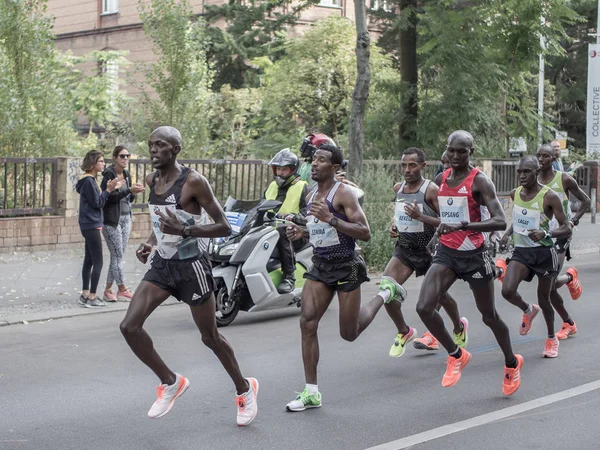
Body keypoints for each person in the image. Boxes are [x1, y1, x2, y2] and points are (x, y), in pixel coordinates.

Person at [119, 126, 259, 426]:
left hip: (192, 266)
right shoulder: (151, 179)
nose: (153, 150)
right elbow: (161, 223)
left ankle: (244, 389)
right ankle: (171, 382)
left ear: (175, 149)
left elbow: (223, 226)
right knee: (129, 327)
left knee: (210, 337)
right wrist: (150, 242)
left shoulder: (193, 182)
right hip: (163, 265)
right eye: (150, 145)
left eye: (160, 145)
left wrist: (184, 231)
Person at [284, 143, 399, 411]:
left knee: (349, 333)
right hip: (321, 265)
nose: (314, 164)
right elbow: (318, 229)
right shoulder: (311, 193)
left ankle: (385, 293)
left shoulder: (344, 193)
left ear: (335, 168)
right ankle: (311, 392)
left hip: (347, 266)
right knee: (307, 322)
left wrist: (332, 219)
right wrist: (302, 233)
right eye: (314, 159)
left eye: (321, 160)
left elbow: (365, 232)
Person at [416, 130, 523, 396]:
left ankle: (511, 362)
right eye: (451, 150)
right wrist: (438, 234)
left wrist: (465, 225)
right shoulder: (441, 179)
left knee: (489, 316)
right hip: (448, 253)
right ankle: (456, 354)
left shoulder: (480, 182)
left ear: (470, 152)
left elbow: (500, 220)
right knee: (424, 307)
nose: (455, 156)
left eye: (461, 151)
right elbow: (447, 216)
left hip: (475, 254)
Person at [497, 144, 589, 341]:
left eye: (546, 156)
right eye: (538, 155)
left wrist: (573, 221)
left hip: (558, 235)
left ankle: (566, 318)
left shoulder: (562, 179)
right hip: (532, 240)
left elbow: (586, 202)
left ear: (554, 158)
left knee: (550, 286)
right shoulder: (525, 186)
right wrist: (508, 233)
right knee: (549, 286)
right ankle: (569, 290)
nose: (541, 159)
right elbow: (523, 216)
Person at [384, 147, 467, 357]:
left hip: (431, 251)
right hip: (405, 249)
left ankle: (458, 327)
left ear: (423, 166)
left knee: (441, 296)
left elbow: (449, 221)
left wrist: (421, 217)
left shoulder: (430, 190)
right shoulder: (398, 188)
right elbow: (400, 215)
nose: (407, 169)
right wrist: (394, 226)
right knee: (387, 288)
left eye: (412, 165)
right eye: (403, 165)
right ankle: (404, 331)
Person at [76, 150, 122, 308]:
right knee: (98, 262)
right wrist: (108, 190)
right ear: (93, 163)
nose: (103, 163)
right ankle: (92, 297)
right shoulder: (89, 181)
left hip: (88, 223)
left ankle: (85, 293)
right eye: (101, 161)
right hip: (91, 224)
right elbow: (98, 203)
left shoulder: (89, 180)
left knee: (89, 260)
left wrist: (111, 189)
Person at [100, 146, 145, 302]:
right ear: (114, 158)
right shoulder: (109, 174)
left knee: (117, 256)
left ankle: (107, 290)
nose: (125, 159)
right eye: (122, 156)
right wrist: (128, 191)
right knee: (118, 255)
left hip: (126, 218)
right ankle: (122, 289)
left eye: (127, 156)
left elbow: (128, 198)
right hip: (112, 221)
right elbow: (108, 197)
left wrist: (134, 192)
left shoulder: (126, 173)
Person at [264, 148, 309, 293]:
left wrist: (292, 217)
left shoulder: (302, 187)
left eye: (284, 170)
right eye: (278, 169)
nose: (280, 173)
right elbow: (261, 206)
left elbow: (308, 214)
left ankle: (289, 277)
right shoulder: (272, 186)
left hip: (296, 233)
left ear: (292, 170)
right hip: (269, 230)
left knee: (283, 231)